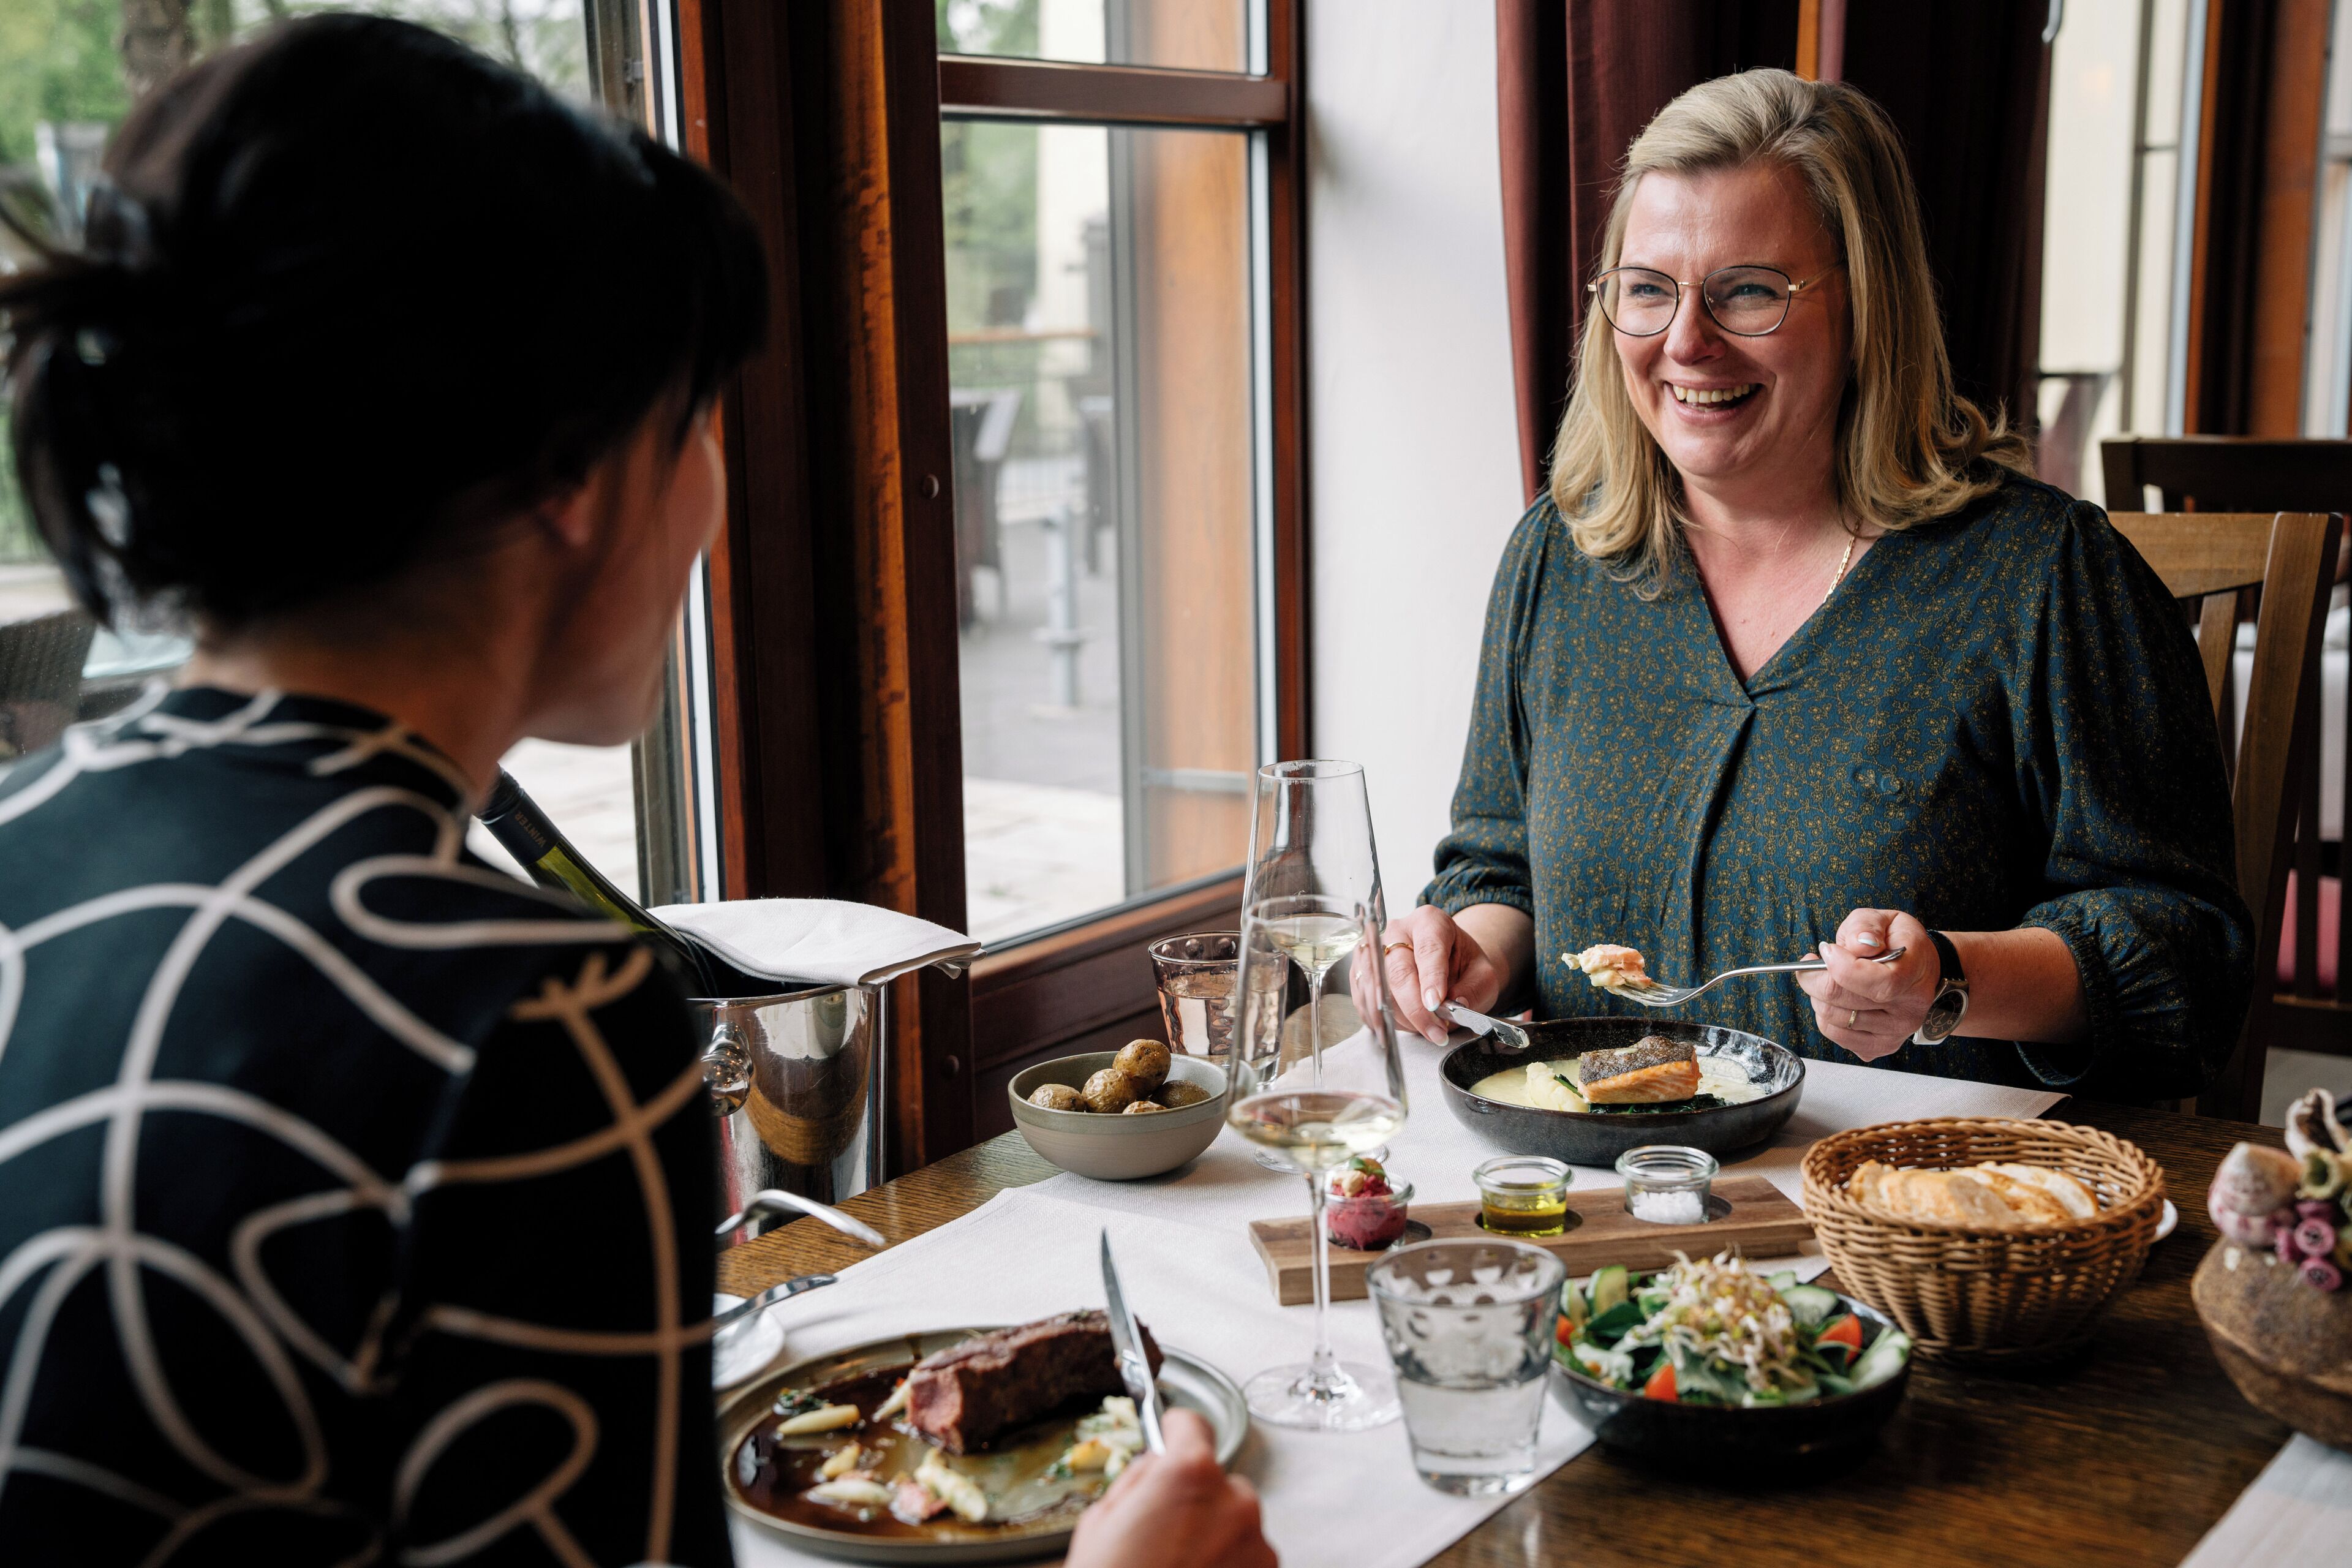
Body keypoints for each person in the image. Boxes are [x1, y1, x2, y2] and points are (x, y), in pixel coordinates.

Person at [0, 17, 1272, 1566]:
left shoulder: (31, 843)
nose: (714, 497)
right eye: (701, 420)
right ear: (572, 470)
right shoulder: (527, 1025)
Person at [1378, 69, 2251, 1099]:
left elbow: (2186, 960)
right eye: (1648, 289)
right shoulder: (1558, 560)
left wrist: (1948, 981)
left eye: (1748, 290)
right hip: (1603, 1197)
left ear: (1865, 303)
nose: (1685, 342)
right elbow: (1501, 865)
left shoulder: (2043, 581)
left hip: (1919, 1217)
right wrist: (1470, 949)